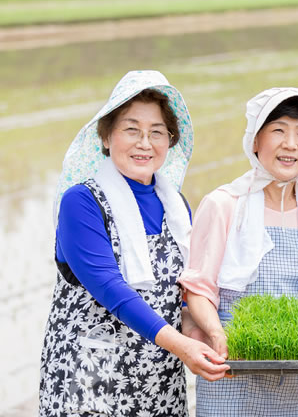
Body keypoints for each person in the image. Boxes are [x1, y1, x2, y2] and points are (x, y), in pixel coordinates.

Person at [39, 70, 228, 417]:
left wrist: (196, 328)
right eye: (131, 129)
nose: (145, 142)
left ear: (169, 142)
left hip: (158, 384)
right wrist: (182, 344)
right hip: (90, 384)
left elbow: (173, 293)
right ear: (106, 136)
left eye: (157, 132)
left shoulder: (176, 206)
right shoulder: (82, 202)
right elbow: (112, 289)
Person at [178, 87, 298, 416]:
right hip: (230, 367)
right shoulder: (224, 204)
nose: (290, 144)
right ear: (255, 140)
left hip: (297, 375)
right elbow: (198, 288)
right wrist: (215, 333)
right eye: (278, 130)